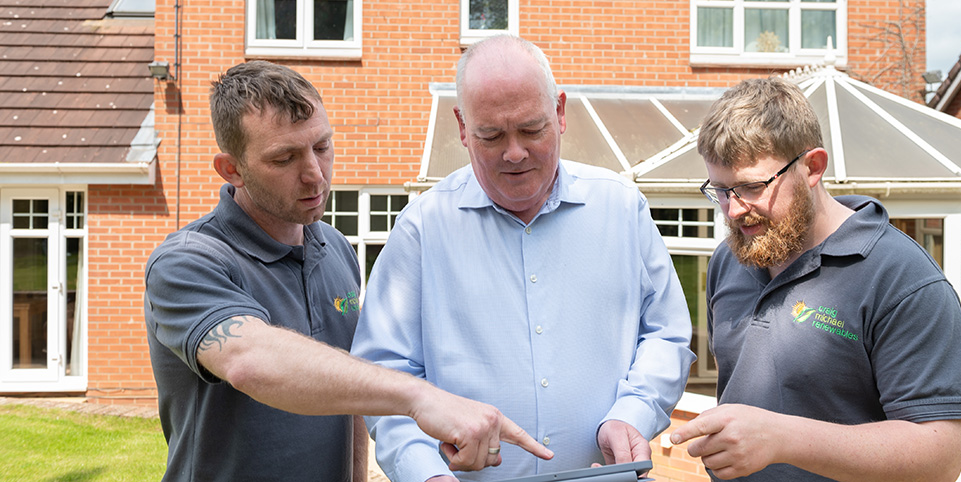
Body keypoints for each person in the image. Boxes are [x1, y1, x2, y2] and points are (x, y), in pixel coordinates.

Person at [144, 60, 552, 482]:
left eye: (321, 146)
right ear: (232, 170)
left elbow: (350, 390)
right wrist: (418, 397)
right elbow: (249, 360)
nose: (314, 174)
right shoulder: (188, 262)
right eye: (284, 158)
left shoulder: (334, 248)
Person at [351, 34, 695, 482]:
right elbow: (384, 374)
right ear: (461, 126)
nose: (514, 153)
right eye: (491, 135)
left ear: (560, 112)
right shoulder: (422, 227)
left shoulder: (622, 209)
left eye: (532, 129)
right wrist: (426, 473)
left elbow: (666, 335)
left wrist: (634, 412)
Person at [670, 76, 961, 482]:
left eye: (751, 187)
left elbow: (940, 457)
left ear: (813, 167)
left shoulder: (903, 279)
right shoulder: (730, 258)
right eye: (721, 190)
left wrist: (783, 439)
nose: (734, 210)